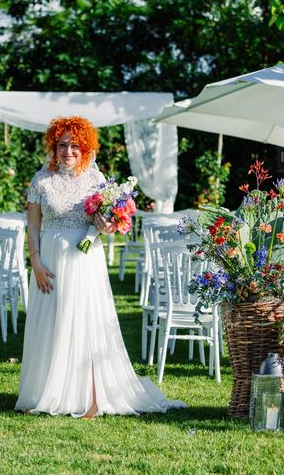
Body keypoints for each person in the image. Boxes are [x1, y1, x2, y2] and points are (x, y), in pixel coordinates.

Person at [15, 116, 186, 417]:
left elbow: (109, 223)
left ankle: (94, 398)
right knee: (51, 326)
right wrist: (36, 263)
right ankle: (45, 394)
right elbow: (32, 227)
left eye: (75, 146)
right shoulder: (40, 181)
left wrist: (106, 226)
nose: (68, 151)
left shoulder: (96, 180)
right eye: (62, 145)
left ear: (86, 150)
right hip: (50, 263)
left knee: (87, 324)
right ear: (53, 148)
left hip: (84, 262)